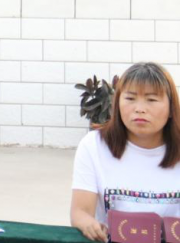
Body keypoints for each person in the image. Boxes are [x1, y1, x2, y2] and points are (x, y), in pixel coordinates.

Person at [71, 62, 180, 241]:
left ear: (171, 109)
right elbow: (80, 211)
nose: (140, 108)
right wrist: (88, 224)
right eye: (130, 98)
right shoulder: (94, 145)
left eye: (151, 100)